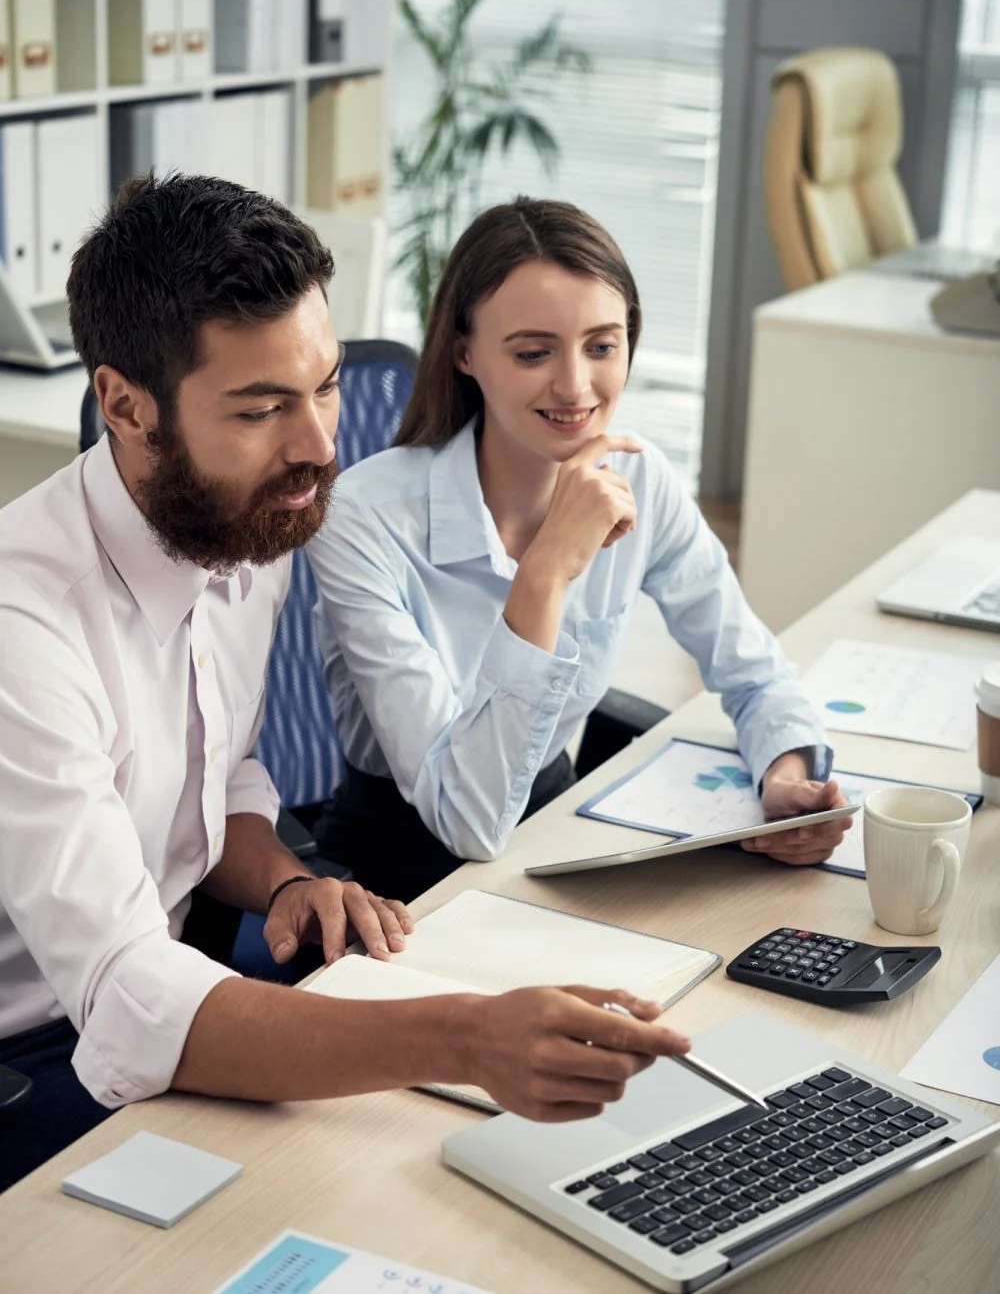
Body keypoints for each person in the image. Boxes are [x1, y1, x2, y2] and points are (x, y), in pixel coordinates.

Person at [0, 175, 690, 1193]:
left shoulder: (243, 519)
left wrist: (285, 878)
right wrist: (464, 1038)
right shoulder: (24, 625)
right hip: (38, 1056)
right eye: (262, 406)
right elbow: (126, 992)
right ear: (124, 406)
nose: (321, 445)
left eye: (321, 386)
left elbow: (212, 778)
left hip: (190, 976)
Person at [307, 197, 851, 902]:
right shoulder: (362, 518)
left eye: (602, 346)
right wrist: (548, 569)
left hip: (560, 839)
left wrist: (785, 778)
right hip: (402, 880)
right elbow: (466, 819)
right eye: (533, 353)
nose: (575, 386)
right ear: (464, 351)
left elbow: (755, 674)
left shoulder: (639, 479)